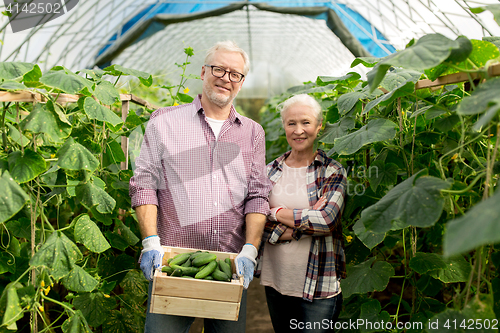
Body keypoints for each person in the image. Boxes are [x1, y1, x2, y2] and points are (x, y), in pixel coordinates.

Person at [129, 40, 272, 333]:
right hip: (173, 264)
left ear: (241, 83)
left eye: (235, 74)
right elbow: (144, 183)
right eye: (219, 69)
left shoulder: (252, 133)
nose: (226, 78)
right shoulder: (164, 121)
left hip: (229, 267)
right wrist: (150, 242)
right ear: (204, 71)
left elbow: (257, 195)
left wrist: (250, 250)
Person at [255, 94, 347, 333]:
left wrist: (274, 212)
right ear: (284, 126)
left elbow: (326, 221)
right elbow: (255, 221)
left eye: (306, 122)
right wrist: (304, 219)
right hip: (276, 282)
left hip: (319, 287)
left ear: (319, 126)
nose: (298, 130)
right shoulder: (270, 171)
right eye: (291, 123)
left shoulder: (332, 171)